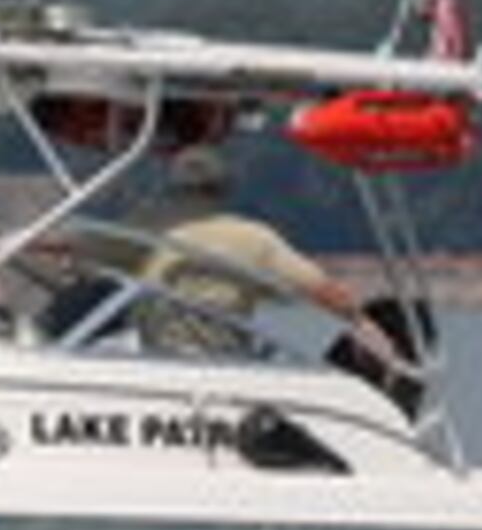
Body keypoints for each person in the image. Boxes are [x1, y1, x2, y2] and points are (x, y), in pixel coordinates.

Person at [123, 145, 406, 380]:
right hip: (220, 373)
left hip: (156, 370)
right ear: (224, 189)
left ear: (173, 189)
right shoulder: (251, 239)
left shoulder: (146, 235)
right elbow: (323, 292)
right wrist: (364, 324)